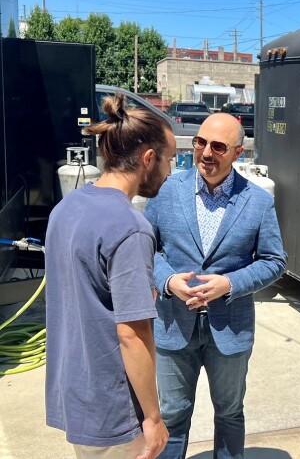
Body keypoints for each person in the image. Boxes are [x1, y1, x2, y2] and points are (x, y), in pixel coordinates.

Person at [144, 113, 286, 459]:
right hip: (174, 324)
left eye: (218, 146)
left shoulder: (258, 201)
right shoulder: (166, 190)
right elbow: (145, 248)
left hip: (230, 328)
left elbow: (274, 260)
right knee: (173, 415)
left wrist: (230, 283)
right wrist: (167, 280)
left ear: (238, 152)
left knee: (229, 412)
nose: (206, 152)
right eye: (200, 142)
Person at [45, 94, 175, 459]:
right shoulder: (130, 228)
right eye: (168, 160)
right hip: (114, 408)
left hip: (75, 395)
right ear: (148, 159)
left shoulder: (66, 207)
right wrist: (152, 417)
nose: (169, 171)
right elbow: (132, 333)